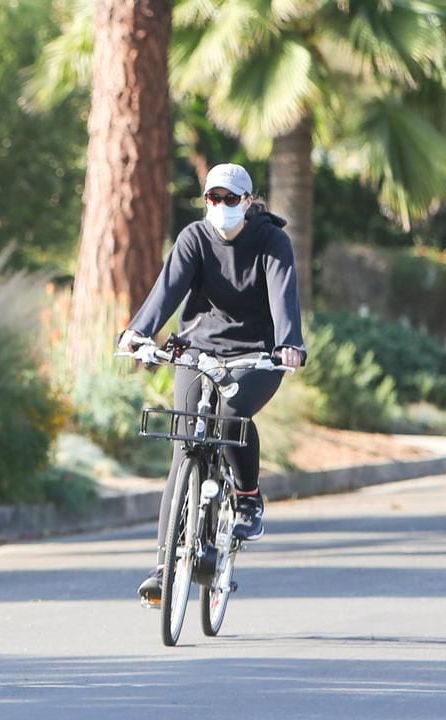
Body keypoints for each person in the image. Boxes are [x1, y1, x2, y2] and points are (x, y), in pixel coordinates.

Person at [116, 162, 305, 606]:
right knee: (183, 448)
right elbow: (166, 291)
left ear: (249, 202)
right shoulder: (194, 239)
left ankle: (247, 498)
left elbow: (284, 298)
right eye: (213, 199)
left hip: (255, 355)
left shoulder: (271, 242)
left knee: (232, 415)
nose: (220, 207)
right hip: (196, 351)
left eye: (231, 199)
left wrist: (288, 345)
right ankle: (165, 569)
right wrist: (137, 332)